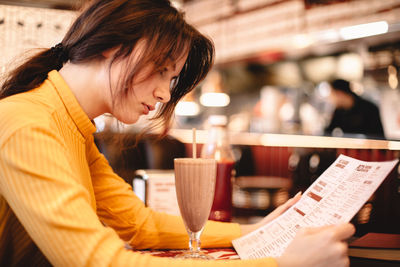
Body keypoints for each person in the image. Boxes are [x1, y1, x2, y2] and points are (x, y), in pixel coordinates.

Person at [0, 0, 354, 266]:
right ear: (109, 45)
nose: (166, 94)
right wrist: (281, 264)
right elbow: (102, 262)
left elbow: (139, 225)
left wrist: (255, 233)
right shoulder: (29, 122)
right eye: (161, 70)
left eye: (171, 80)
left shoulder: (70, 124)